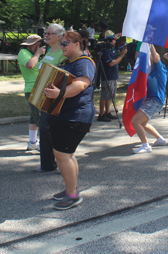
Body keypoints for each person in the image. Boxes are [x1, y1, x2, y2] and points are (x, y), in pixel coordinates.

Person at [44, 31, 95, 210]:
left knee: (62, 155)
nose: (62, 46)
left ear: (78, 44)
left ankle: (73, 195)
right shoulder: (69, 62)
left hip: (75, 116)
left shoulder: (83, 62)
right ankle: (71, 189)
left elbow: (81, 84)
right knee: (67, 154)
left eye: (65, 43)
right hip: (66, 115)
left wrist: (60, 94)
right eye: (62, 43)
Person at [35, 23, 66, 172]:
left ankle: (61, 163)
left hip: (55, 98)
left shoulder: (63, 52)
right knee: (44, 130)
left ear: (59, 36)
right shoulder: (49, 50)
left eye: (49, 33)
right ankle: (47, 164)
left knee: (52, 130)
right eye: (46, 33)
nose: (46, 35)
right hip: (43, 95)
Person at [131, 44, 168, 154]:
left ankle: (145, 145)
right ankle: (160, 139)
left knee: (135, 121)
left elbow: (155, 57)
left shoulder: (160, 68)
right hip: (152, 101)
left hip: (155, 101)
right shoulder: (150, 71)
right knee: (142, 124)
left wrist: (151, 44)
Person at [18, 34, 45, 151]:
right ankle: (44, 144)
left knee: (34, 116)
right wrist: (38, 54)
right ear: (32, 45)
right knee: (39, 116)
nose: (40, 47)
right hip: (33, 89)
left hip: (38, 88)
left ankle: (32, 142)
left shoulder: (31, 54)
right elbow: (30, 65)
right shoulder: (23, 53)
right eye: (38, 45)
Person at [97, 30, 126, 122]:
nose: (115, 41)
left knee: (110, 96)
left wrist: (121, 55)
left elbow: (117, 61)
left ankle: (107, 112)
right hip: (107, 76)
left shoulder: (112, 49)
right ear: (109, 40)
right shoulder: (105, 51)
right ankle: (101, 114)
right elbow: (111, 63)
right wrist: (121, 55)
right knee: (105, 95)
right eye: (114, 40)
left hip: (113, 76)